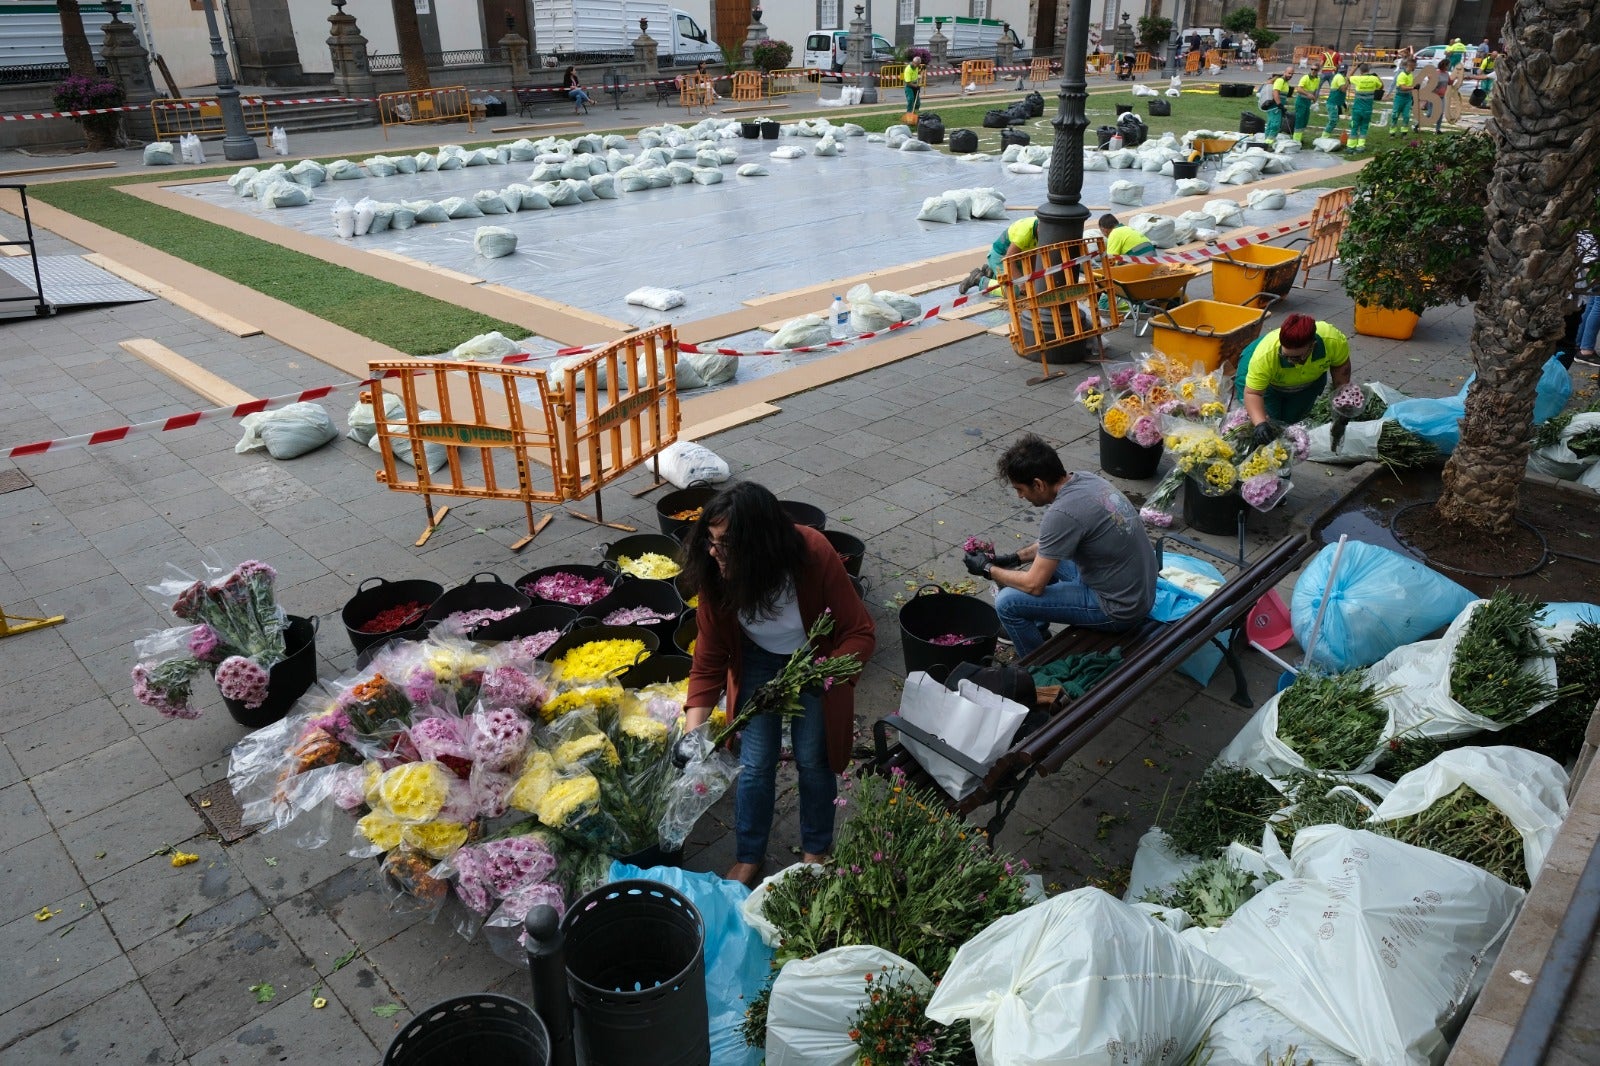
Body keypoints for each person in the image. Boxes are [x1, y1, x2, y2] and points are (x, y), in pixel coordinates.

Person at [682, 482, 876, 887]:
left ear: (762, 546)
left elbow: (859, 633)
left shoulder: (813, 554)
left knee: (813, 759)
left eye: (727, 545)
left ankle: (815, 851)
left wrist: (817, 674)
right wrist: (691, 736)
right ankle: (749, 854)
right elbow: (709, 658)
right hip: (756, 660)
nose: (715, 553)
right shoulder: (715, 573)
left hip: (814, 661)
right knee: (755, 763)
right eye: (712, 542)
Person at [963, 434, 1158, 658]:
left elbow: (1033, 585)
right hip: (1137, 591)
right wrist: (1011, 559)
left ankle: (1037, 667)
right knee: (1046, 563)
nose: (1019, 496)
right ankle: (1035, 627)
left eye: (1020, 489)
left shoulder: (1062, 513)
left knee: (1007, 603)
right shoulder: (1085, 480)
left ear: (1038, 484)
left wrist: (988, 569)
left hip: (1118, 608)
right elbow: (1051, 545)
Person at [1233, 312, 1353, 433]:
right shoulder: (1265, 355)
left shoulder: (1333, 341)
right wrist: (1260, 424)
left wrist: (1343, 404)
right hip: (1262, 381)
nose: (1290, 361)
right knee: (1269, 422)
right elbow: (1253, 393)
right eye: (1285, 356)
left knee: (1292, 423)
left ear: (1312, 346)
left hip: (1306, 382)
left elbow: (1341, 370)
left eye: (1296, 358)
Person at [1347, 62, 1383, 149]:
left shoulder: (1358, 79)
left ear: (1360, 71)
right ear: (1369, 70)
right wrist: (1377, 77)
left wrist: (1355, 66)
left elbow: (1348, 77)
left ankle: (1351, 146)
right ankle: (1360, 146)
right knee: (1364, 127)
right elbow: (1381, 87)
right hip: (1368, 108)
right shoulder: (1374, 79)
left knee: (1354, 126)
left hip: (1357, 108)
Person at [1430, 58, 1459, 132]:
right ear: (1444, 65)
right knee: (1430, 114)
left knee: (1440, 113)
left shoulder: (1446, 74)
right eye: (1448, 65)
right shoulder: (1436, 73)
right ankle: (1417, 125)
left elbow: (1449, 82)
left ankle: (1438, 129)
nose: (1449, 67)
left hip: (1442, 97)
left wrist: (1456, 77)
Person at [1390, 57, 1418, 133]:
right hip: (1400, 97)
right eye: (1415, 66)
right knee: (1395, 115)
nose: (1415, 67)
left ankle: (1404, 132)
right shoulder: (1402, 75)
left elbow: (1409, 86)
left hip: (1408, 98)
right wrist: (1413, 88)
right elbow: (1402, 87)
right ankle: (1392, 131)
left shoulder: (1410, 75)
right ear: (1410, 66)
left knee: (1406, 116)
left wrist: (1413, 90)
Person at [1293, 67, 1321, 139]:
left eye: (1315, 69)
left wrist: (1315, 101)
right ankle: (1296, 139)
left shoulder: (1317, 79)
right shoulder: (1305, 77)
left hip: (1308, 102)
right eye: (1312, 69)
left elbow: (1315, 91)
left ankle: (1299, 138)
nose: (1313, 71)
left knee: (1305, 120)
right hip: (1301, 100)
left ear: (1318, 70)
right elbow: (1299, 89)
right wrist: (1307, 94)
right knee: (1299, 120)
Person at [1264, 66, 1291, 138]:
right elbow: (1275, 92)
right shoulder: (1280, 81)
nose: (1290, 75)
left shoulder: (1285, 82)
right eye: (1289, 73)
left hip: (1276, 106)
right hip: (1275, 106)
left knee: (1271, 123)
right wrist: (1279, 104)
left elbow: (1281, 95)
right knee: (1275, 124)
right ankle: (1269, 142)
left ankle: (1266, 140)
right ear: (1285, 72)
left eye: (1292, 74)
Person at [1323, 65, 1349, 135]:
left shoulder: (1340, 76)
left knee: (1334, 121)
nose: (1343, 72)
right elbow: (1343, 90)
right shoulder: (1340, 77)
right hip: (1333, 104)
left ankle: (1325, 136)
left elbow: (1340, 94)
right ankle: (1324, 137)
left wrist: (1344, 105)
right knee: (1333, 121)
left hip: (1335, 103)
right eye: (1342, 71)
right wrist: (1347, 82)